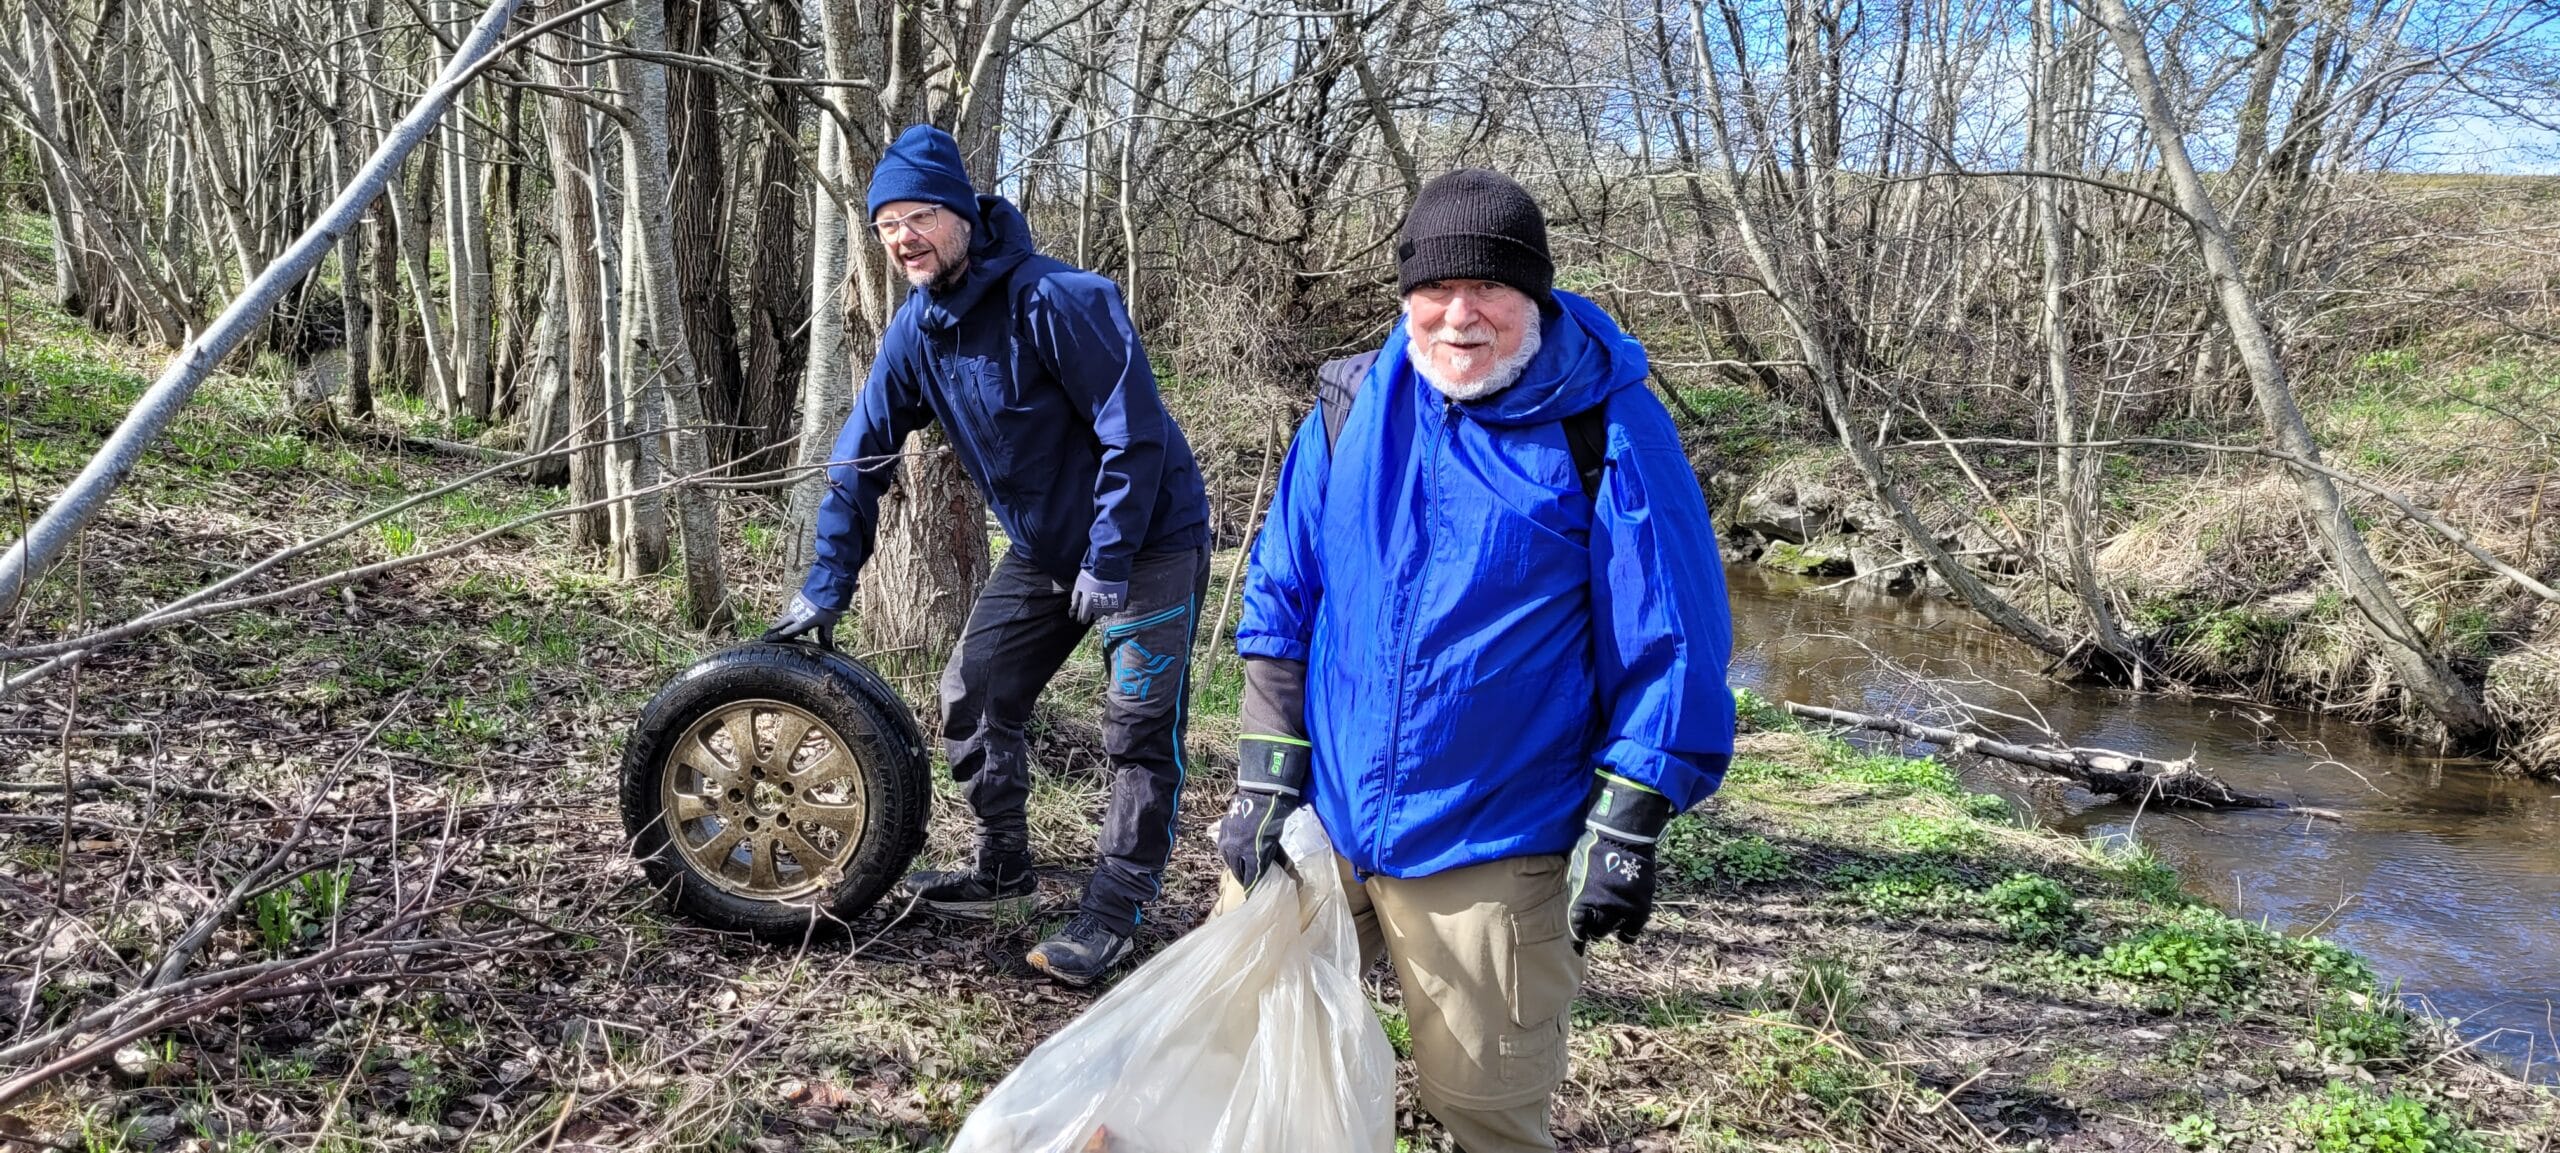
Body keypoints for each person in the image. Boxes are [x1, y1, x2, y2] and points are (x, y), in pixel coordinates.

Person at [1214, 169, 1736, 1152]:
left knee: (1483, 1113)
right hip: (1323, 818)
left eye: (1487, 290)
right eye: (1432, 291)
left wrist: (1630, 821)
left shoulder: (1608, 430)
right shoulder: (1348, 402)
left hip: (1492, 843)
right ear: (1404, 297)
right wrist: (1263, 778)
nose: (1458, 317)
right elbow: (1282, 594)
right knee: (1248, 1059)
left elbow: (1671, 639)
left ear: (1532, 296)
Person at [766, 124, 1210, 986]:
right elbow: (861, 454)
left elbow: (1135, 436)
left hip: (1149, 540)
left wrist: (1110, 558)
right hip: (1046, 549)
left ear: (964, 212)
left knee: (1137, 730)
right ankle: (1003, 866)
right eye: (887, 222)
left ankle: (1114, 911)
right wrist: (827, 585)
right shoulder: (916, 333)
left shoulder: (1060, 299)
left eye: (919, 214)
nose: (902, 237)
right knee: (974, 688)